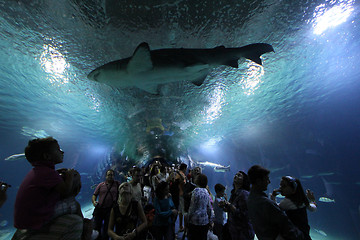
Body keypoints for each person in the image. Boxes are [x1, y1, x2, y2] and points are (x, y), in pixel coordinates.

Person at [12, 137, 82, 239]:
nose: (62, 152)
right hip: (34, 221)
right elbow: (65, 191)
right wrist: (70, 175)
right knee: (73, 204)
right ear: (47, 156)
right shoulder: (47, 173)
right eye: (58, 149)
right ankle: (83, 229)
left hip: (24, 220)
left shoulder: (39, 171)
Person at [247, 165, 305, 240]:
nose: (269, 182)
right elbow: (285, 224)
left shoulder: (251, 199)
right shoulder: (265, 202)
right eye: (267, 179)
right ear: (259, 181)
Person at [270, 176, 317, 240]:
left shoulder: (287, 202)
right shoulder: (302, 201)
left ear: (293, 189)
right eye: (280, 185)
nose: (280, 188)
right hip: (304, 234)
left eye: (284, 186)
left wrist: (273, 197)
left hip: (294, 235)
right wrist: (312, 200)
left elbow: (274, 208)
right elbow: (313, 208)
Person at [220, 171, 254, 240]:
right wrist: (225, 207)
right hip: (233, 231)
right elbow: (233, 210)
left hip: (242, 233)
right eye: (236, 174)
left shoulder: (244, 194)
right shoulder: (233, 193)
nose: (236, 176)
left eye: (239, 175)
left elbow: (245, 215)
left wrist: (229, 205)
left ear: (244, 180)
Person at [92, 169, 120, 240]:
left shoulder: (117, 184)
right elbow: (94, 195)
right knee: (96, 227)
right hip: (100, 209)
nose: (110, 176)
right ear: (106, 176)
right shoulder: (101, 185)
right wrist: (94, 201)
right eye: (109, 175)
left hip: (110, 210)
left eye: (112, 175)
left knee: (107, 228)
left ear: (114, 176)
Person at [187, 173, 214, 240]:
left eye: (196, 178)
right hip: (204, 222)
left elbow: (192, 207)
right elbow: (209, 207)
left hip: (194, 221)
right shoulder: (206, 191)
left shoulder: (195, 191)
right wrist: (210, 220)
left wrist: (188, 218)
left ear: (199, 180)